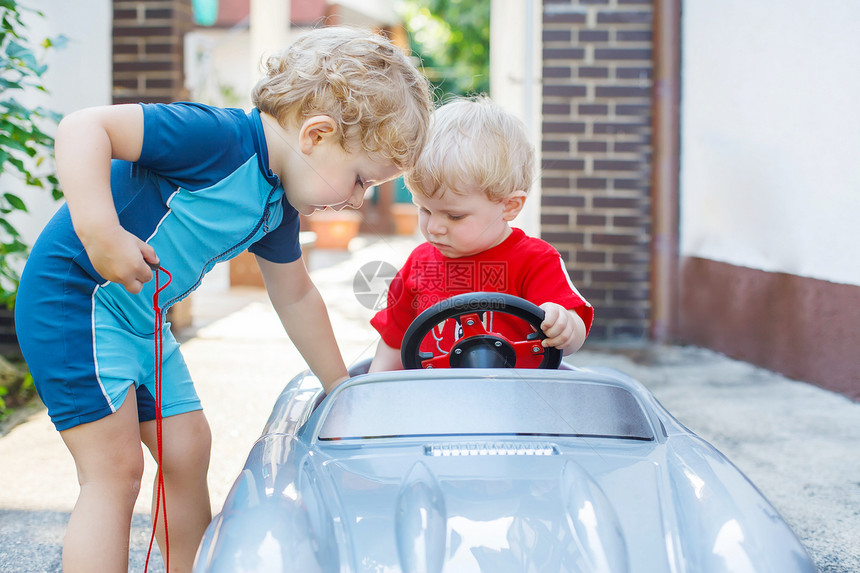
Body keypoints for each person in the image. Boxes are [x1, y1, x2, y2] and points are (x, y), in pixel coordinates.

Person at [14, 26, 432, 573]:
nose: (357, 199)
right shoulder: (215, 139)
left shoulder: (275, 204)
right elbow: (83, 128)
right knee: (114, 471)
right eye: (360, 180)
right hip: (77, 301)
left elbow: (298, 296)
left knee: (188, 448)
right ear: (316, 135)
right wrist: (101, 233)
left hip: (141, 320)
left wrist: (342, 391)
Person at [369, 96, 593, 372]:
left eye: (455, 216)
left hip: (517, 403)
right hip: (432, 401)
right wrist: (373, 393)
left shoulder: (535, 260)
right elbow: (393, 343)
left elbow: (571, 338)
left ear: (509, 206)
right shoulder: (419, 263)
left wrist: (564, 324)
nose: (434, 227)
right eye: (424, 209)